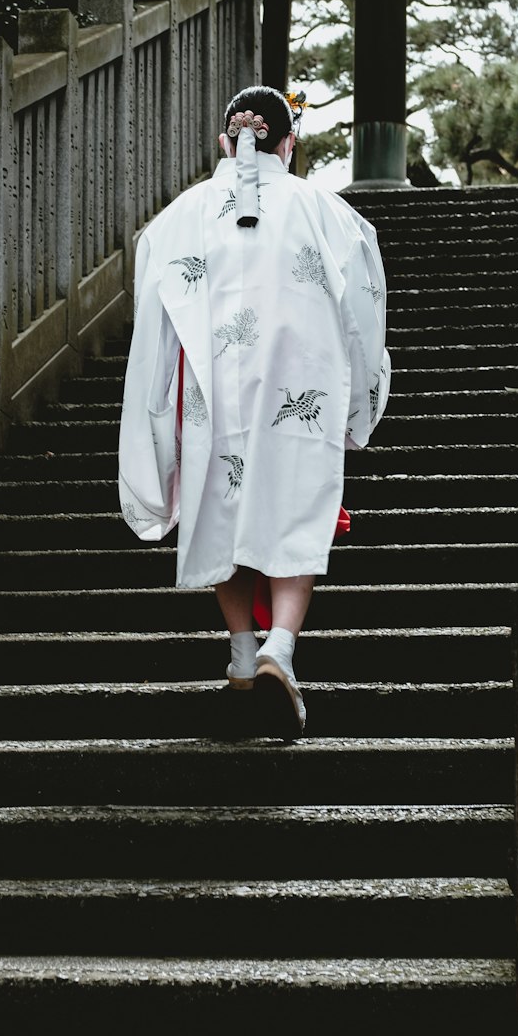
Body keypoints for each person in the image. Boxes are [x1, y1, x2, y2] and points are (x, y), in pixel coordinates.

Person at [118, 85, 390, 735]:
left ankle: (243, 649)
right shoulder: (327, 211)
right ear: (289, 144)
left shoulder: (180, 216)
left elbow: (154, 321)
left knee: (222, 504)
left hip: (210, 385)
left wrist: (154, 413)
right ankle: (281, 649)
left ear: (225, 142)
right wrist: (362, 397)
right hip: (301, 381)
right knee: (293, 503)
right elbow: (363, 311)